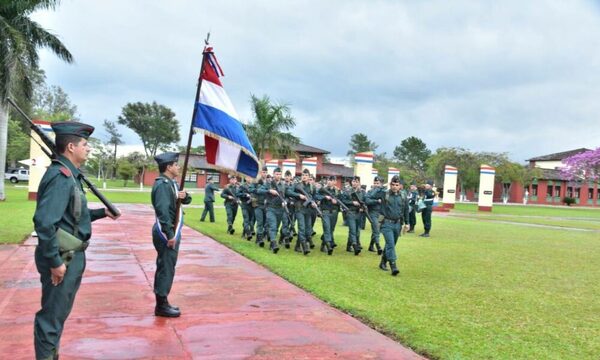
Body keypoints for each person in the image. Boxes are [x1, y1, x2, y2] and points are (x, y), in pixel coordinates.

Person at [33, 122, 121, 360]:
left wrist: (102, 213)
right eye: (85, 144)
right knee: (51, 317)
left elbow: (74, 216)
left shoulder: (71, 175)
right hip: (62, 257)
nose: (88, 149)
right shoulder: (61, 176)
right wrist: (54, 262)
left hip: (69, 254)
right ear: (71, 147)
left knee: (58, 315)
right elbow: (44, 222)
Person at [151, 152, 191, 317]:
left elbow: (182, 202)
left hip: (171, 231)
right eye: (176, 164)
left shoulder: (171, 183)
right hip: (166, 232)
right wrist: (169, 234)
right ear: (168, 167)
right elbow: (163, 212)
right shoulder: (162, 185)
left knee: (168, 266)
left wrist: (185, 196)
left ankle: (163, 301)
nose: (178, 167)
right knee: (165, 268)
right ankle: (161, 305)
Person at [378, 175, 409, 276]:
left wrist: (407, 223)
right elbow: (370, 195)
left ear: (400, 186)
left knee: (390, 245)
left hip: (397, 224)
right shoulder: (384, 194)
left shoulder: (403, 196)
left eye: (397, 185)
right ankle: (393, 265)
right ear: (390, 185)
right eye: (393, 184)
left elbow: (406, 210)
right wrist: (383, 186)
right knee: (390, 244)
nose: (395, 186)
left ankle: (383, 262)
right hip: (386, 223)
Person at [288, 169, 318, 255]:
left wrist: (314, 203)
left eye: (306, 175)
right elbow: (288, 191)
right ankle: (304, 246)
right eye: (303, 175)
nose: (304, 176)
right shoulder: (297, 185)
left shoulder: (312, 187)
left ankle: (297, 246)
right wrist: (299, 195)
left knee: (307, 229)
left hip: (308, 210)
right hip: (299, 209)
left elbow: (314, 197)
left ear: (309, 176)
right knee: (301, 228)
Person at [261, 167, 288, 253]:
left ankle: (272, 242)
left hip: (280, 209)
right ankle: (274, 243)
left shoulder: (283, 185)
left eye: (280, 174)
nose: (278, 175)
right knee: (272, 226)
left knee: (276, 227)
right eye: (277, 174)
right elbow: (259, 190)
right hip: (270, 208)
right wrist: (269, 191)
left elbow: (286, 195)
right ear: (273, 174)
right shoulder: (268, 183)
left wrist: (285, 202)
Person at [341, 176, 365, 255]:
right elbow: (343, 201)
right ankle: (355, 246)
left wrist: (362, 207)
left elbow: (365, 202)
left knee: (357, 231)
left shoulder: (362, 192)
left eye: (356, 182)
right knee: (352, 229)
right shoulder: (347, 191)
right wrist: (352, 202)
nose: (354, 183)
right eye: (353, 181)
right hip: (350, 212)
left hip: (359, 213)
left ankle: (348, 246)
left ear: (359, 183)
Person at [318, 176, 341, 255]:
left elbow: (342, 200)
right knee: (327, 228)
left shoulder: (337, 191)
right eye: (328, 180)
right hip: (325, 212)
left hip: (334, 212)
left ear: (335, 182)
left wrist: (336, 202)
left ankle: (323, 244)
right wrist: (324, 197)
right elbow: (316, 196)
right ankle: (329, 246)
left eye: (331, 180)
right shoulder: (322, 189)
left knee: (331, 229)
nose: (329, 182)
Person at [250, 166, 268, 247]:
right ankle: (260, 239)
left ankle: (258, 237)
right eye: (263, 172)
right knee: (260, 222)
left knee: (265, 223)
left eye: (265, 172)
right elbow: (250, 189)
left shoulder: (268, 182)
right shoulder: (255, 181)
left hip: (266, 205)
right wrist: (257, 190)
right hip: (257, 204)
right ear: (260, 173)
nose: (264, 174)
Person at [366, 176, 384, 254]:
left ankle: (371, 245)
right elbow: (367, 201)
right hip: (372, 212)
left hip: (381, 213)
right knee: (376, 229)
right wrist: (376, 201)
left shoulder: (384, 192)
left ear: (381, 184)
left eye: (378, 183)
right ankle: (378, 246)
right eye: (375, 183)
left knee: (377, 230)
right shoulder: (370, 191)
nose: (376, 185)